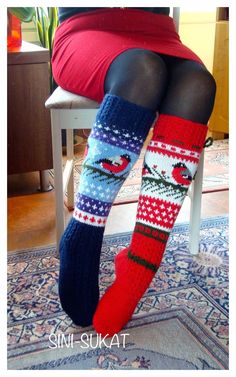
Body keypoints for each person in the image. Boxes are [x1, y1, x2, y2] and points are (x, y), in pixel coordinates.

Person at [52, 7, 216, 336]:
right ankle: (83, 233)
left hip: (158, 31)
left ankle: (143, 257)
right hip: (86, 28)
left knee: (199, 83)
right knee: (144, 70)